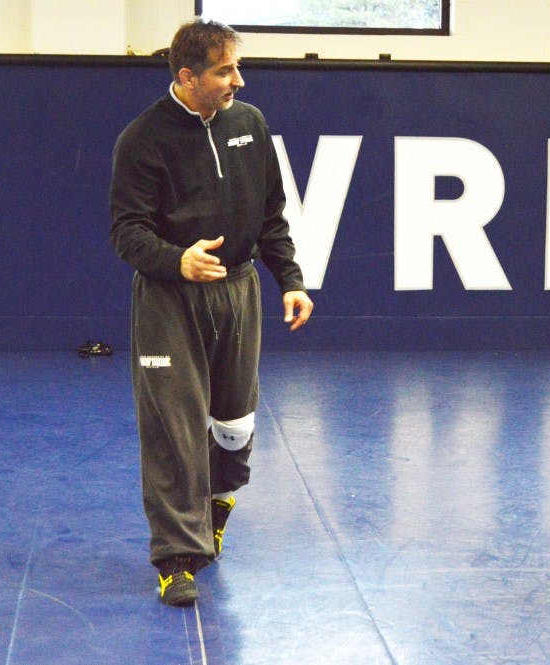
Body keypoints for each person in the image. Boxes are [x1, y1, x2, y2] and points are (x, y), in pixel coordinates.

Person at [109, 19, 313, 607]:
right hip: (169, 300)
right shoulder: (142, 139)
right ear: (187, 76)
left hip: (240, 291)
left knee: (234, 425)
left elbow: (271, 215)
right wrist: (178, 261)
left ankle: (219, 501)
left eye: (236, 68)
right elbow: (126, 232)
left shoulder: (249, 125)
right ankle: (177, 557)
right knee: (173, 428)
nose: (238, 82)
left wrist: (290, 280)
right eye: (225, 71)